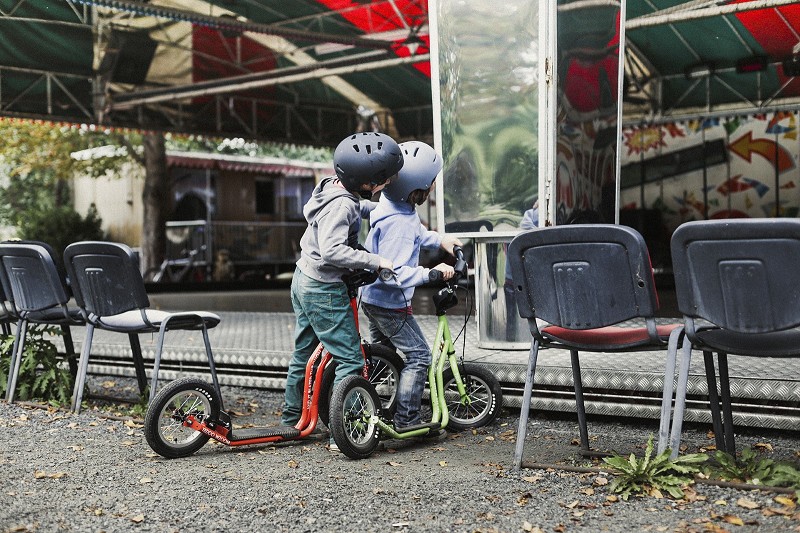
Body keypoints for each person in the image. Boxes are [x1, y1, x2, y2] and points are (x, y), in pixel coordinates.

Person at [280, 132, 403, 431]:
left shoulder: (331, 190)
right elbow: (332, 250)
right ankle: (347, 430)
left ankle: (291, 419)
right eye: (384, 180)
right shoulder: (343, 206)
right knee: (350, 360)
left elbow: (357, 208)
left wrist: (385, 210)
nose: (388, 184)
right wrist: (376, 261)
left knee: (304, 354)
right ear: (365, 182)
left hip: (303, 279)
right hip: (323, 288)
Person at [359, 141, 462, 433]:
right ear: (417, 188)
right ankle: (407, 420)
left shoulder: (394, 206)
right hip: (389, 302)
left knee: (383, 356)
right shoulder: (399, 227)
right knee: (418, 356)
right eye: (430, 183)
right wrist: (431, 274)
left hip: (374, 299)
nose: (431, 188)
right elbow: (394, 272)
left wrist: (439, 240)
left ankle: (362, 404)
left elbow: (417, 232)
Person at [504, 199, 539, 340]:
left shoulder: (530, 216)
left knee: (513, 316)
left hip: (513, 277)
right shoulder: (535, 215)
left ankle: (512, 337)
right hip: (524, 278)